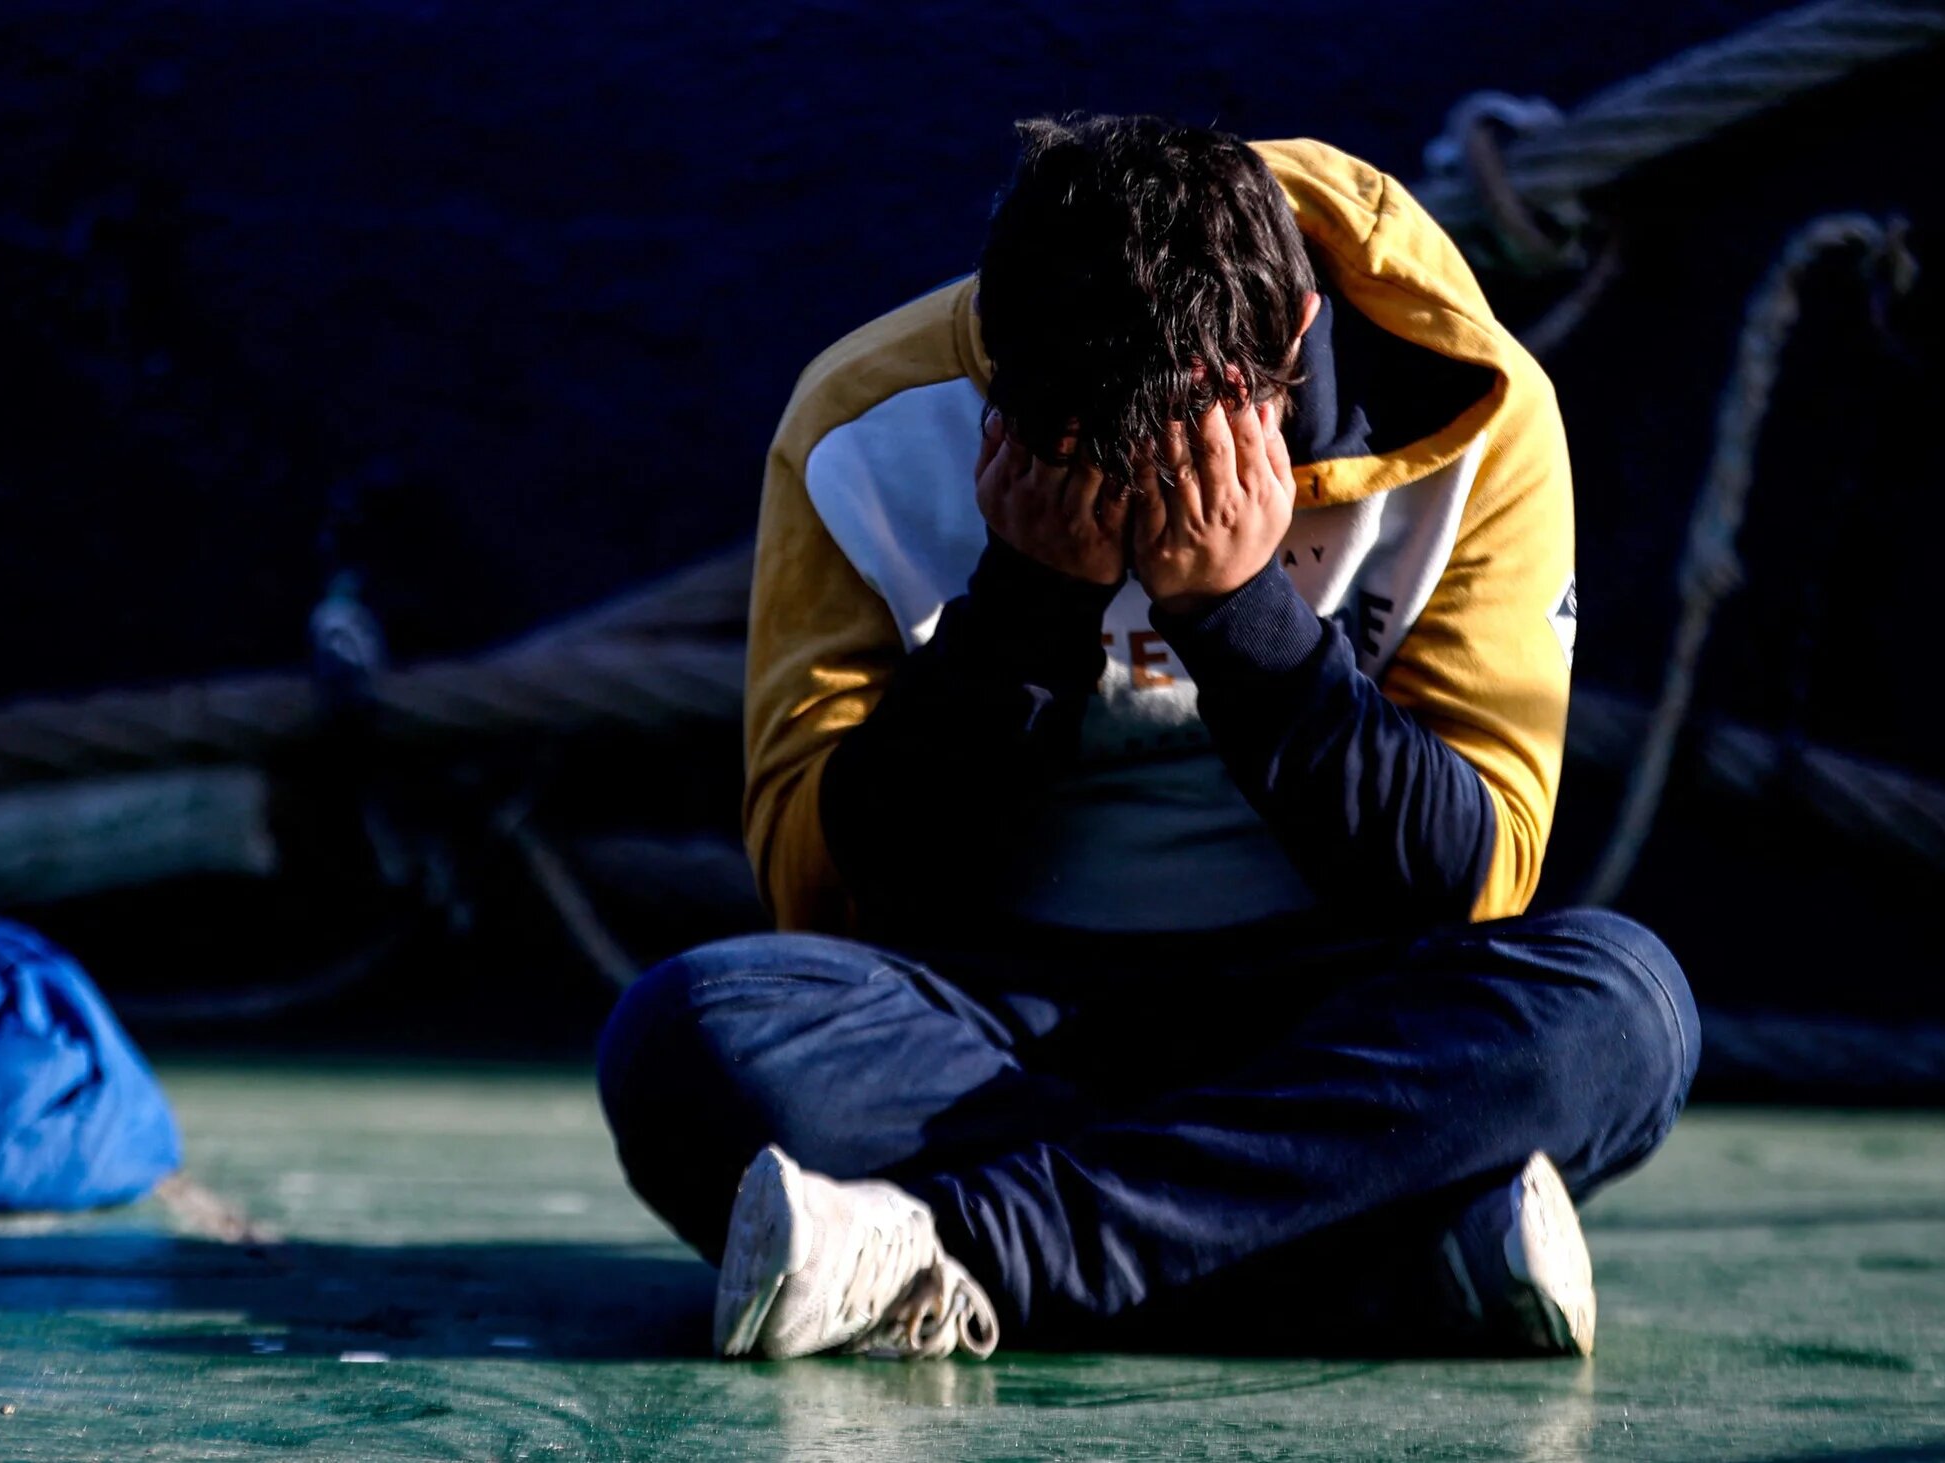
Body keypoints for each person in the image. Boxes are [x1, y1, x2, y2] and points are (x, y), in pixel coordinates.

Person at [597, 114, 1697, 1362]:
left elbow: (1468, 882)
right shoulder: (857, 426)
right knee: (689, 1031)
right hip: (990, 1019)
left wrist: (1243, 618)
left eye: (1186, 437)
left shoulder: (1475, 415)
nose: (1131, 490)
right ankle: (1367, 1264)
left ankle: (962, 1253)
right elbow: (824, 891)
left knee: (1621, 1009)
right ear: (989, 350)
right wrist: (1026, 605)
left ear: (1288, 343)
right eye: (1074, 443)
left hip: (1328, 1017)